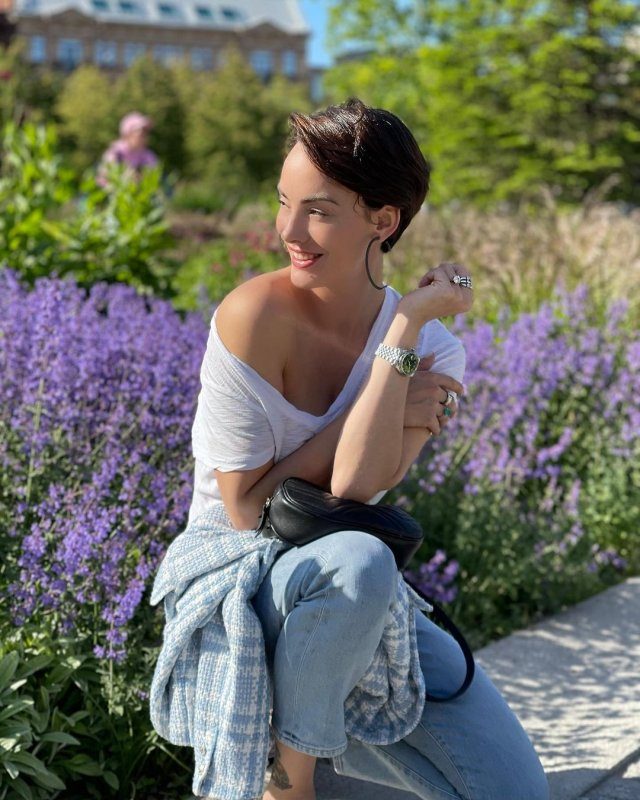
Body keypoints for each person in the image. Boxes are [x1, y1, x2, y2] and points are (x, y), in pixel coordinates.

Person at [150, 98, 549, 800]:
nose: (288, 231)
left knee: (515, 792)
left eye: (319, 211)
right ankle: (289, 783)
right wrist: (385, 397)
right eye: (284, 202)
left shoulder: (433, 348)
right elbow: (244, 510)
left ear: (383, 221)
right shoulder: (253, 316)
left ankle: (313, 759)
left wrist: (404, 328)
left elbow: (358, 486)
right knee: (361, 561)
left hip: (352, 600)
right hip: (238, 573)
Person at [97, 111, 159, 188]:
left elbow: (154, 181)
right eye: (141, 131)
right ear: (127, 134)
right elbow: (103, 181)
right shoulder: (115, 153)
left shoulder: (149, 155)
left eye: (146, 131)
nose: (144, 135)